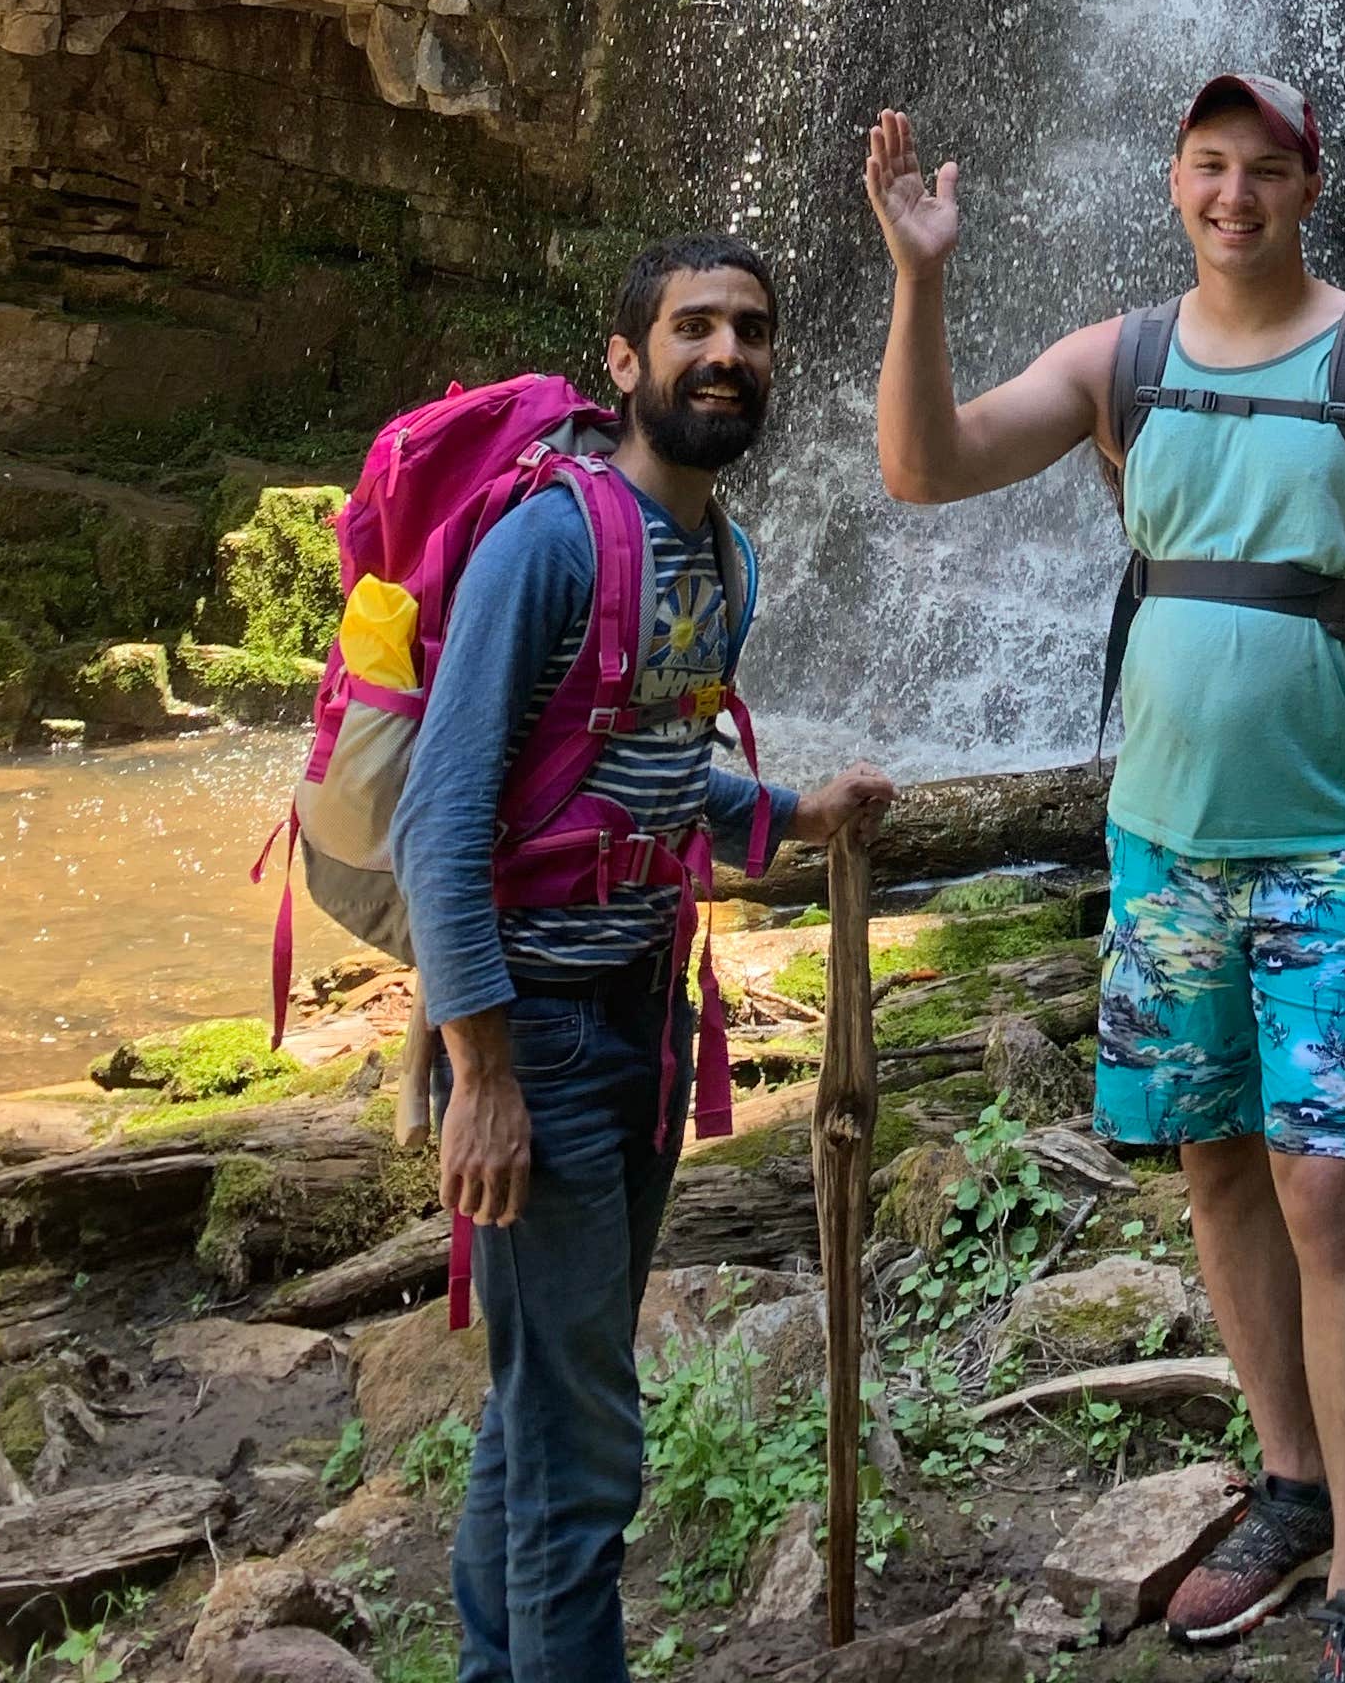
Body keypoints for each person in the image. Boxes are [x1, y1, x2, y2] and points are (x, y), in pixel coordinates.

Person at [868, 76, 1345, 1680]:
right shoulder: (1126, 360)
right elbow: (926, 464)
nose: (1233, 194)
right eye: (1208, 167)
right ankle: (1293, 1483)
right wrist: (920, 278)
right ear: (1176, 182)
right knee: (1221, 1169)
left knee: (1331, 1188)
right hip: (1167, 849)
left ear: (1309, 185)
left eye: (1263, 169)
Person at [393, 235, 894, 1683]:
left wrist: (789, 811)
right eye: (693, 329)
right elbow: (443, 817)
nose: (724, 353)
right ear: (627, 362)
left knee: (547, 1400)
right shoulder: (550, 540)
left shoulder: (719, 557)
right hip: (534, 1031)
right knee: (589, 1440)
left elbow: (649, 771)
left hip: (644, 1013)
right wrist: (479, 1069)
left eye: (749, 330)